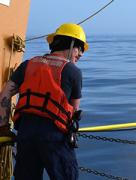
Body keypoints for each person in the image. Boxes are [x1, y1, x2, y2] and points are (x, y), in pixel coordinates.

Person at [0, 23, 89, 180]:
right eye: (80, 48)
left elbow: (5, 94)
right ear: (72, 44)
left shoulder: (27, 64)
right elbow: (74, 111)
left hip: (26, 134)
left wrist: (4, 128)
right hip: (54, 137)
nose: (81, 54)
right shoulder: (73, 71)